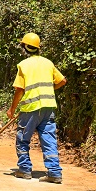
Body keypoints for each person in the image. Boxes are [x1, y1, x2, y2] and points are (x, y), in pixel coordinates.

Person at [6, 32, 67, 183]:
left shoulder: (24, 65)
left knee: (22, 139)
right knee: (49, 140)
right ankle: (54, 173)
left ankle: (25, 170)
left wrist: (11, 109)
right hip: (48, 108)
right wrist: (49, 89)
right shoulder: (48, 63)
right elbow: (62, 81)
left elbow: (19, 90)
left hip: (30, 109)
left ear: (25, 48)